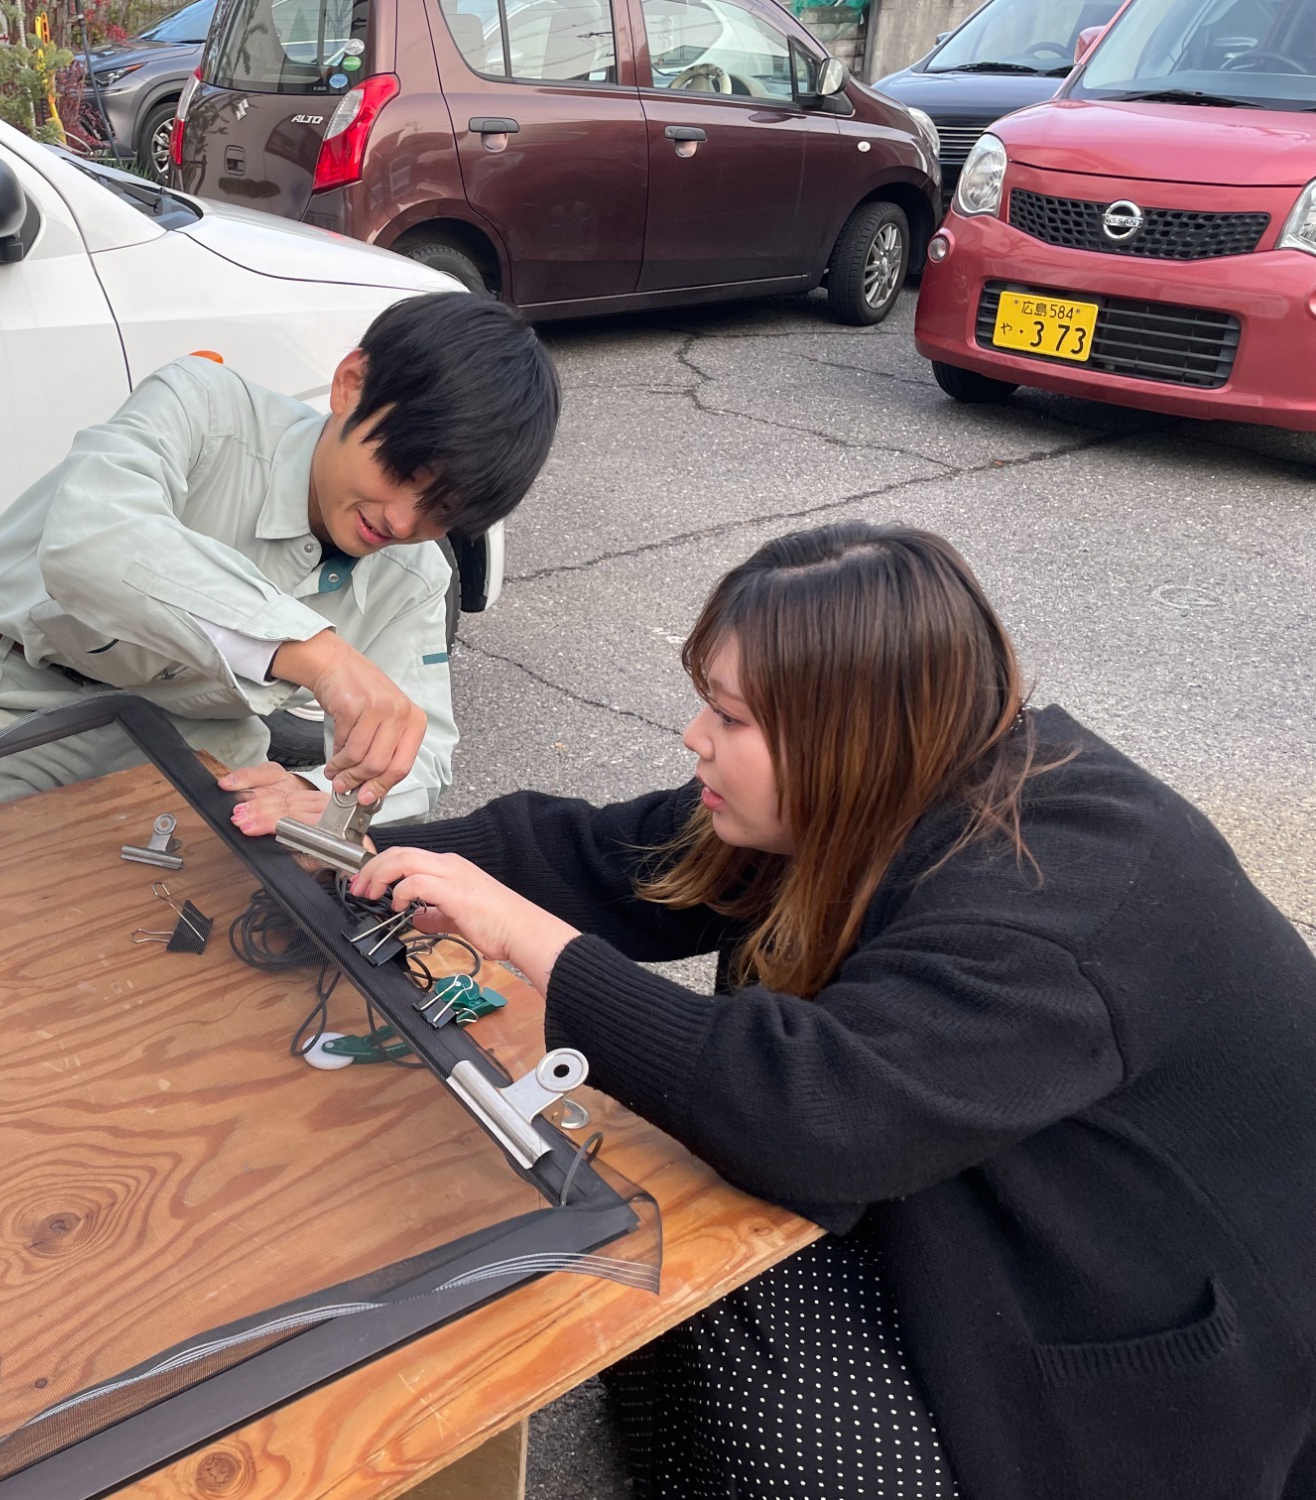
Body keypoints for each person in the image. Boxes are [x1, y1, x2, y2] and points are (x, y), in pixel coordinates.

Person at [298, 522, 1316, 1500]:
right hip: (967, 1184)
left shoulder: (1054, 900)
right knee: (644, 1225)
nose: (694, 738)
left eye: (731, 719)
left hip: (1135, 1326)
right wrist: (362, 852)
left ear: (857, 732)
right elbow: (615, 857)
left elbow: (810, 1115)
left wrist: (531, 940)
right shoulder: (898, 779)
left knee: (747, 1372)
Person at [0, 291, 561, 830]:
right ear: (351, 385)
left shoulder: (414, 577)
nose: (403, 523)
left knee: (229, 928)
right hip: (1, 692)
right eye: (404, 472)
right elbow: (89, 542)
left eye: (442, 511)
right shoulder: (201, 406)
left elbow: (423, 755)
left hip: (196, 731)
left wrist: (316, 798)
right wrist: (315, 653)